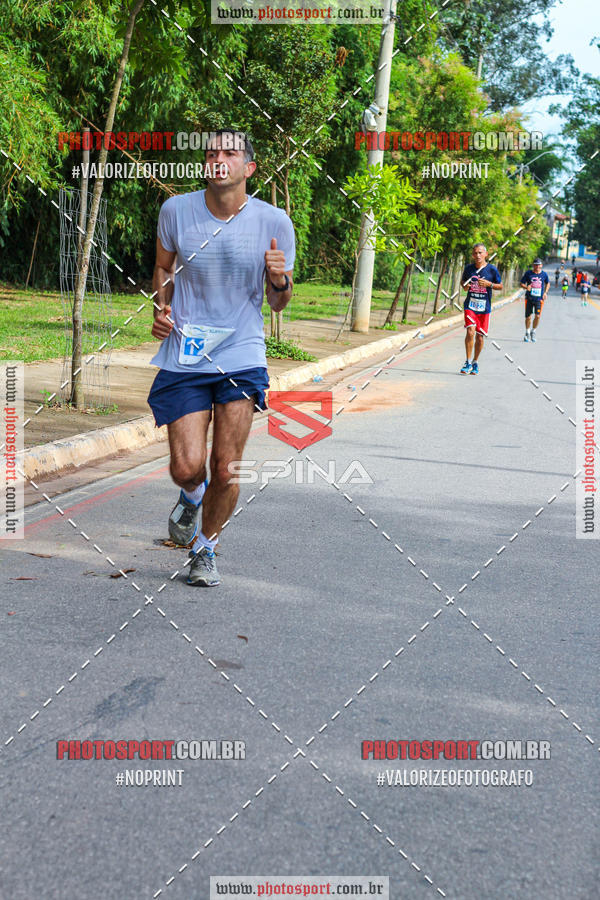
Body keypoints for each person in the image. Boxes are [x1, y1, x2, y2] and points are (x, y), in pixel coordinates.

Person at [147, 129, 295, 587]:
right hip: (188, 351)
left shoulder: (274, 221)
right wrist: (161, 308)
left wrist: (279, 280)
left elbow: (279, 303)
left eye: (229, 152)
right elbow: (164, 267)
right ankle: (192, 495)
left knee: (226, 466)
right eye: (211, 151)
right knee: (185, 467)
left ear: (248, 168)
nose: (218, 158)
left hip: (241, 352)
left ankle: (205, 549)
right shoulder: (176, 211)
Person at [459, 243, 502, 375]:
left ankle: (475, 362)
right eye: (475, 253)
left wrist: (489, 284)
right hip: (470, 305)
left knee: (480, 337)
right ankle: (467, 361)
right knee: (470, 331)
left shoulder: (492, 270)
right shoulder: (469, 269)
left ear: (486, 254)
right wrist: (465, 286)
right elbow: (463, 282)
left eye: (480, 253)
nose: (477, 255)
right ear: (472, 255)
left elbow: (500, 286)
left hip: (484, 308)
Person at [521, 258, 549, 342]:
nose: (537, 266)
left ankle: (533, 331)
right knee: (528, 317)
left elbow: (548, 283)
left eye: (538, 265)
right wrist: (526, 287)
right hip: (529, 298)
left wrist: (545, 292)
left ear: (541, 265)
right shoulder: (528, 273)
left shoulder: (544, 274)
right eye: (535, 265)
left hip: (539, 299)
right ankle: (527, 332)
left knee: (537, 316)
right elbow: (521, 283)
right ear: (533, 265)